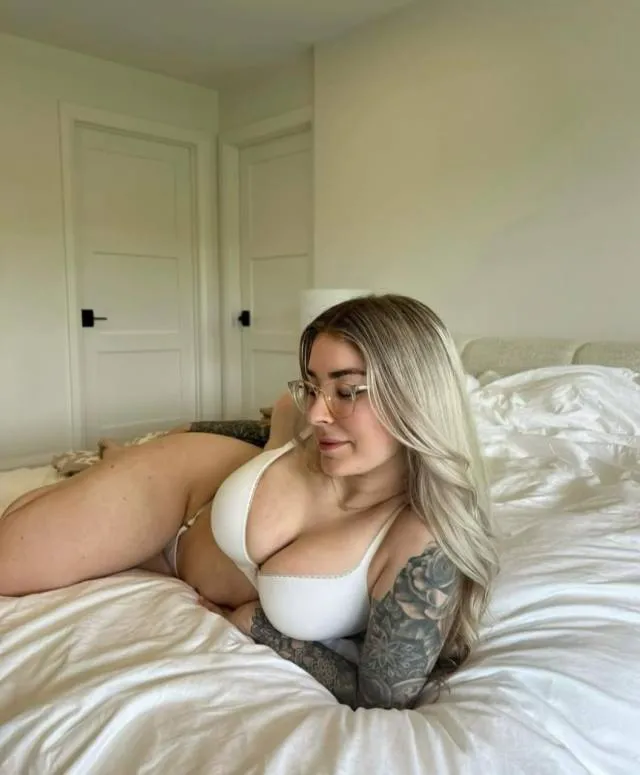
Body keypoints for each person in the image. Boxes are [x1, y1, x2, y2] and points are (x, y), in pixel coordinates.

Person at [0, 294, 498, 710]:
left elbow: (383, 696)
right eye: (311, 387)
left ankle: (106, 467)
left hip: (169, 558)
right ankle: (117, 460)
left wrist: (254, 624)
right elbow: (261, 427)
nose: (318, 413)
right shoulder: (309, 421)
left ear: (416, 396)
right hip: (181, 489)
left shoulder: (420, 541)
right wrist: (176, 434)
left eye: (347, 391)